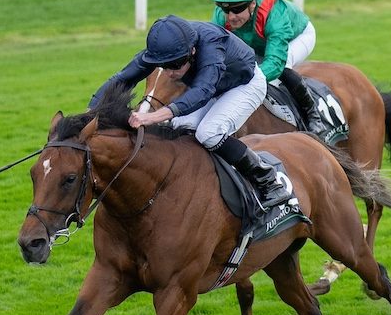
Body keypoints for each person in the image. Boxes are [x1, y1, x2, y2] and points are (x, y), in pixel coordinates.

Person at [104, 15, 297, 226]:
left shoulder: (211, 45)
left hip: (245, 85)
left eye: (174, 66)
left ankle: (267, 180)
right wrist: (90, 115)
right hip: (214, 87)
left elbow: (203, 91)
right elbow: (121, 79)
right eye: (163, 66)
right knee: (178, 128)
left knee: (209, 133)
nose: (168, 73)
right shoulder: (169, 48)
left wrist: (152, 117)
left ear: (192, 52)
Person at [209, 0, 320, 126]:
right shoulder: (221, 16)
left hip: (297, 37)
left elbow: (275, 63)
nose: (231, 16)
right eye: (225, 9)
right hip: (257, 42)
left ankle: (313, 115)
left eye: (238, 9)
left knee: (284, 66)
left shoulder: (273, 10)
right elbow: (212, 51)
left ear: (252, 3)